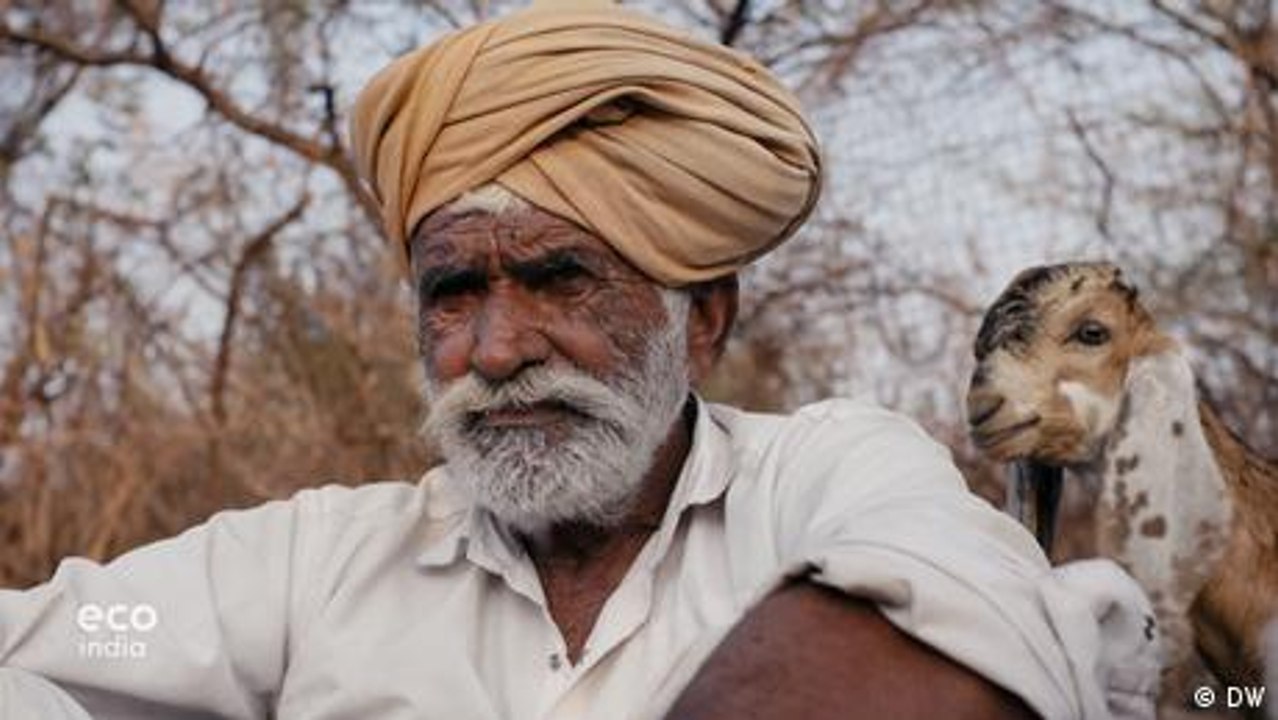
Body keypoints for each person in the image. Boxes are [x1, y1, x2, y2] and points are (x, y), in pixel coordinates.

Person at [0, 0, 1161, 718]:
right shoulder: (318, 569)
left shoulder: (824, 478)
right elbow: (64, 639)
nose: (496, 350)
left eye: (562, 279)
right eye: (454, 293)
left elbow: (966, 607)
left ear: (703, 319)